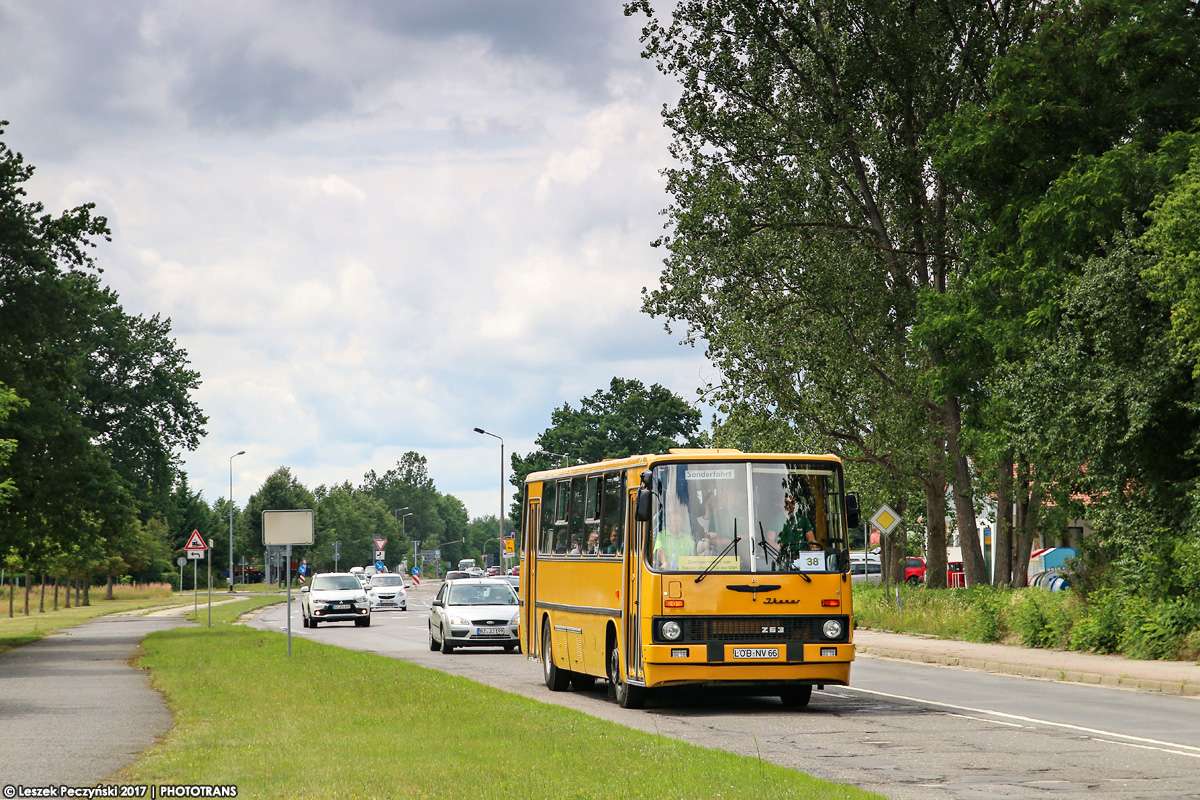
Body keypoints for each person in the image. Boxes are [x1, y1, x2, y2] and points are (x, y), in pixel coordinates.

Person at [654, 505, 693, 569]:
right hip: (668, 572)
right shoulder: (661, 535)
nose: (676, 524)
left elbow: (696, 549)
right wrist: (664, 563)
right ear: (668, 522)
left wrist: (706, 543)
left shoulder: (687, 538)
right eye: (674, 521)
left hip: (685, 572)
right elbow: (660, 550)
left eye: (679, 521)